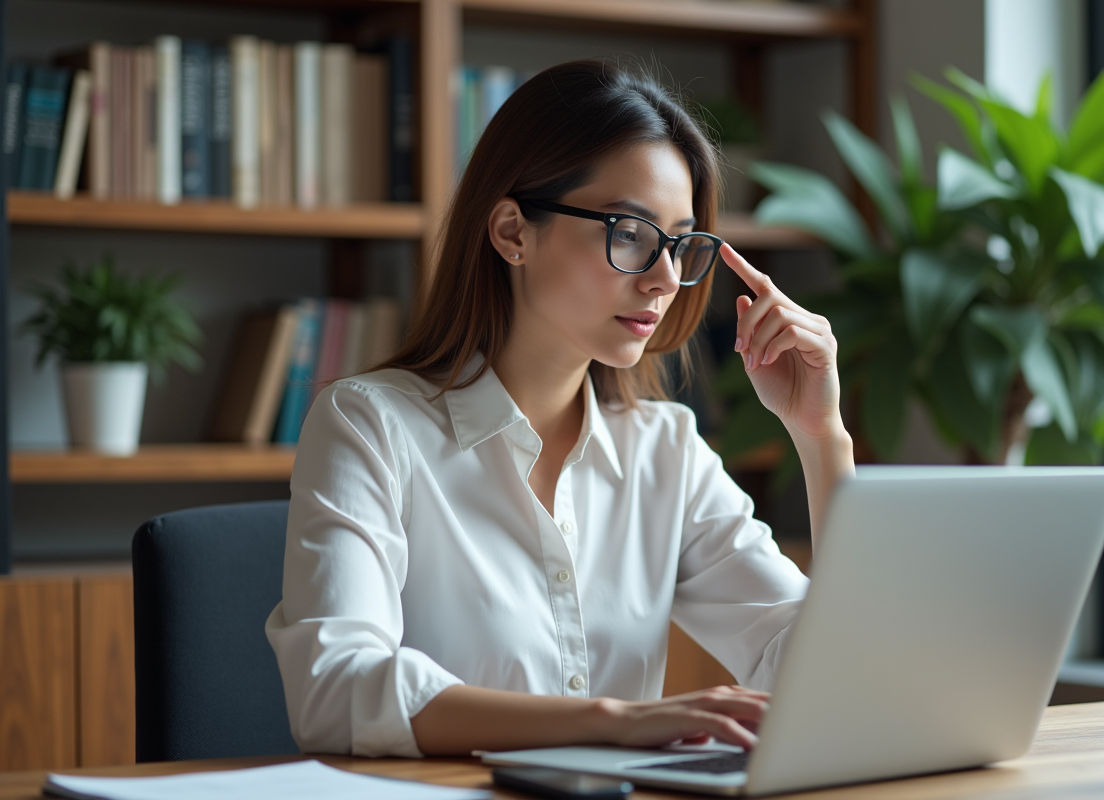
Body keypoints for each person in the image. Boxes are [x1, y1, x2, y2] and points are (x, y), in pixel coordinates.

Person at [265, 58, 855, 760]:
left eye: (679, 243)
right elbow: (335, 690)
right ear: (512, 231)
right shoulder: (369, 426)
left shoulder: (665, 451)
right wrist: (611, 720)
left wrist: (821, 437)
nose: (666, 280)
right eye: (630, 232)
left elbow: (828, 680)